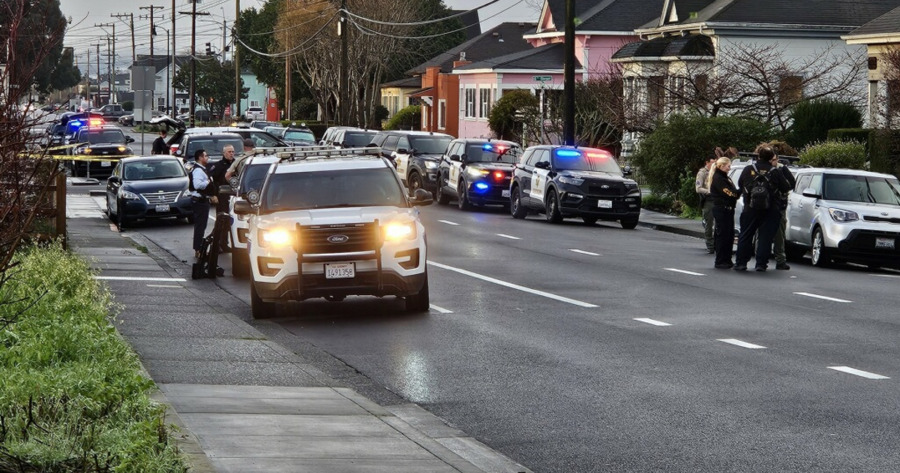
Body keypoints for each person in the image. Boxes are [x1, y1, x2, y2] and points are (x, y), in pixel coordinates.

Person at [733, 146, 792, 272]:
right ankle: (761, 264)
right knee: (765, 237)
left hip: (750, 208)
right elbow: (786, 187)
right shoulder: (775, 171)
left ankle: (741, 262)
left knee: (746, 235)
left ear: (758, 156)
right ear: (772, 158)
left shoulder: (749, 169)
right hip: (770, 209)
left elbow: (740, 183)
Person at [708, 157, 740, 268]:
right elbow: (729, 193)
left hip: (728, 209)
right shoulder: (718, 178)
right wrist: (738, 193)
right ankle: (720, 260)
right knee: (722, 235)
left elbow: (733, 191)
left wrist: (736, 192)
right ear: (721, 166)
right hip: (722, 209)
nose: (729, 168)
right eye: (728, 166)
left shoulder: (726, 178)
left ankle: (727, 259)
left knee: (729, 235)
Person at [188, 149, 217, 260]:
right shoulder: (198, 171)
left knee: (202, 226)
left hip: (202, 201)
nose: (207, 157)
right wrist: (208, 182)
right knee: (200, 226)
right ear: (200, 158)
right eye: (205, 155)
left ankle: (199, 248)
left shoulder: (202, 169)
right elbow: (197, 185)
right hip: (199, 202)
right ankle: (198, 249)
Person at [208, 145, 237, 252]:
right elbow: (211, 181)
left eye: (233, 152)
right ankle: (215, 244)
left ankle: (225, 244)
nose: (231, 154)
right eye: (229, 152)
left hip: (233, 196)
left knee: (231, 222)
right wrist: (213, 194)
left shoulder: (236, 165)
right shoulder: (218, 166)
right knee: (221, 221)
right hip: (222, 197)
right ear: (224, 153)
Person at [770, 156, 796, 270]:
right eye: (772, 159)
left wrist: (782, 190)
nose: (773, 162)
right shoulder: (761, 168)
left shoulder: (782, 169)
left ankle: (780, 259)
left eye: (775, 159)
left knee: (779, 233)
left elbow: (791, 183)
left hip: (779, 205)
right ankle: (761, 259)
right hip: (763, 205)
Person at [696, 151, 718, 254]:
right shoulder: (702, 173)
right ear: (707, 162)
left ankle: (716, 244)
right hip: (708, 200)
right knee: (709, 224)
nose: (714, 164)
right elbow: (698, 188)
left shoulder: (716, 172)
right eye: (712, 162)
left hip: (717, 200)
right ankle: (710, 245)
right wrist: (708, 192)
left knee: (718, 224)